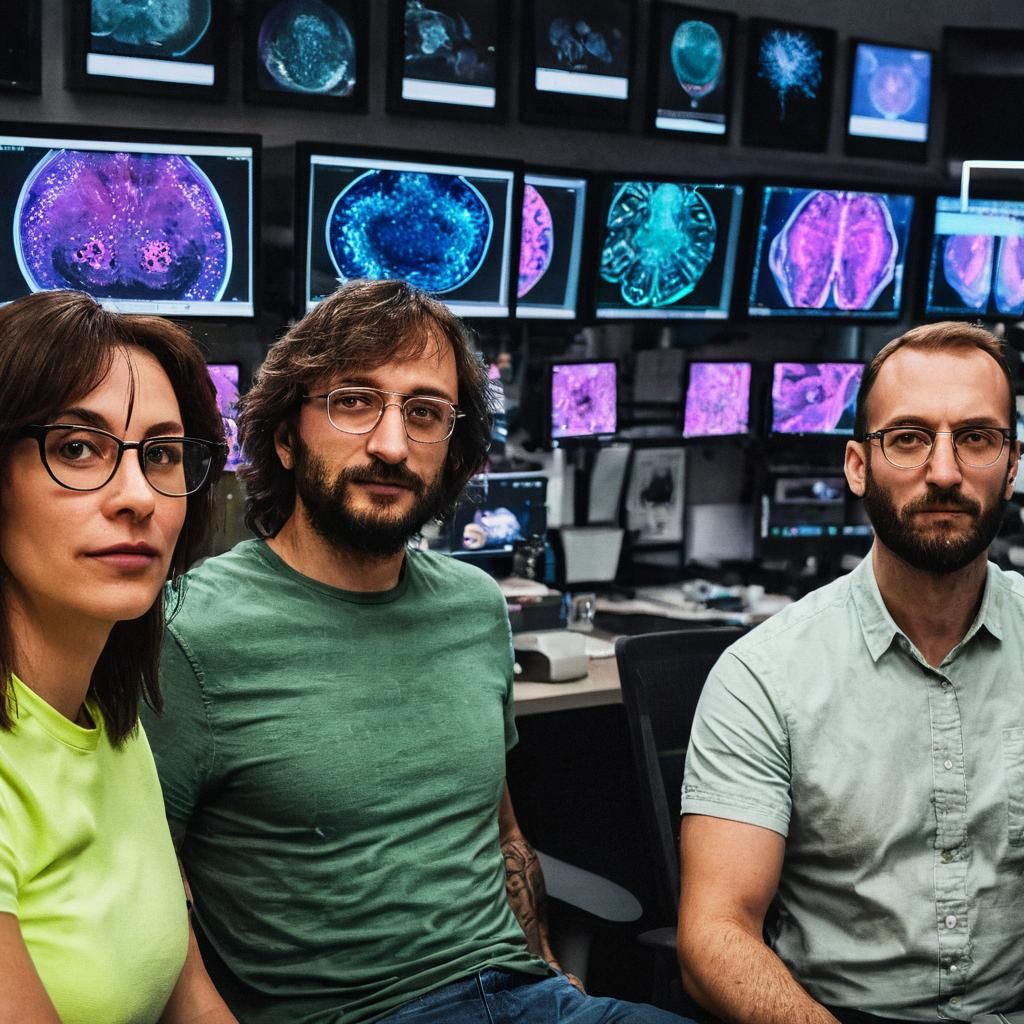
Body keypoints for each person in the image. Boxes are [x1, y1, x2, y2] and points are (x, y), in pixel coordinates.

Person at [143, 279, 692, 1024]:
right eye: (354, 401)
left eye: (425, 414)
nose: (392, 445)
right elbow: (147, 901)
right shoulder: (189, 633)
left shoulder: (473, 606)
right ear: (284, 435)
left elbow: (499, 834)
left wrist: (560, 987)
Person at [677, 321, 1024, 1024]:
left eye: (977, 438)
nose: (946, 472)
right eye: (908, 438)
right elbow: (714, 936)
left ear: (1013, 464)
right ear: (857, 465)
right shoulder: (765, 676)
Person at [0, 290, 235, 1022]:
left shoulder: (112, 717)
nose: (137, 495)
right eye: (76, 447)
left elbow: (189, 995)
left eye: (162, 455)